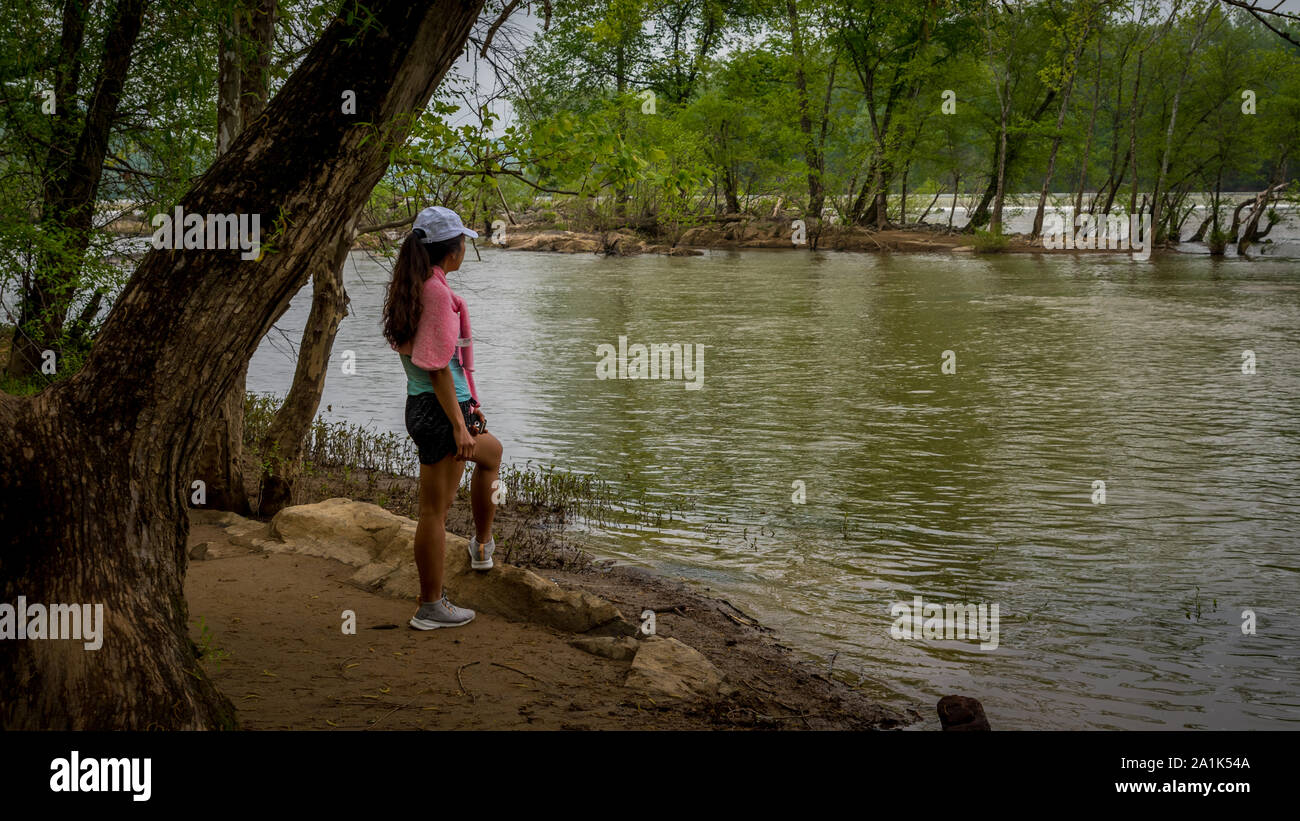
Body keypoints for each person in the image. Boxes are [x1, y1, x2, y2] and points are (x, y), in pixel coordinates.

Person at [382, 206, 504, 630]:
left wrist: (470, 404)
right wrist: (458, 422)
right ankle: (431, 604)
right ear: (451, 251)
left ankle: (481, 547)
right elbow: (435, 365)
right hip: (438, 408)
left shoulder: (415, 286)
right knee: (434, 510)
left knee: (482, 465)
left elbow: (441, 363)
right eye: (463, 242)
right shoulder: (435, 294)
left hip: (432, 404)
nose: (466, 249)